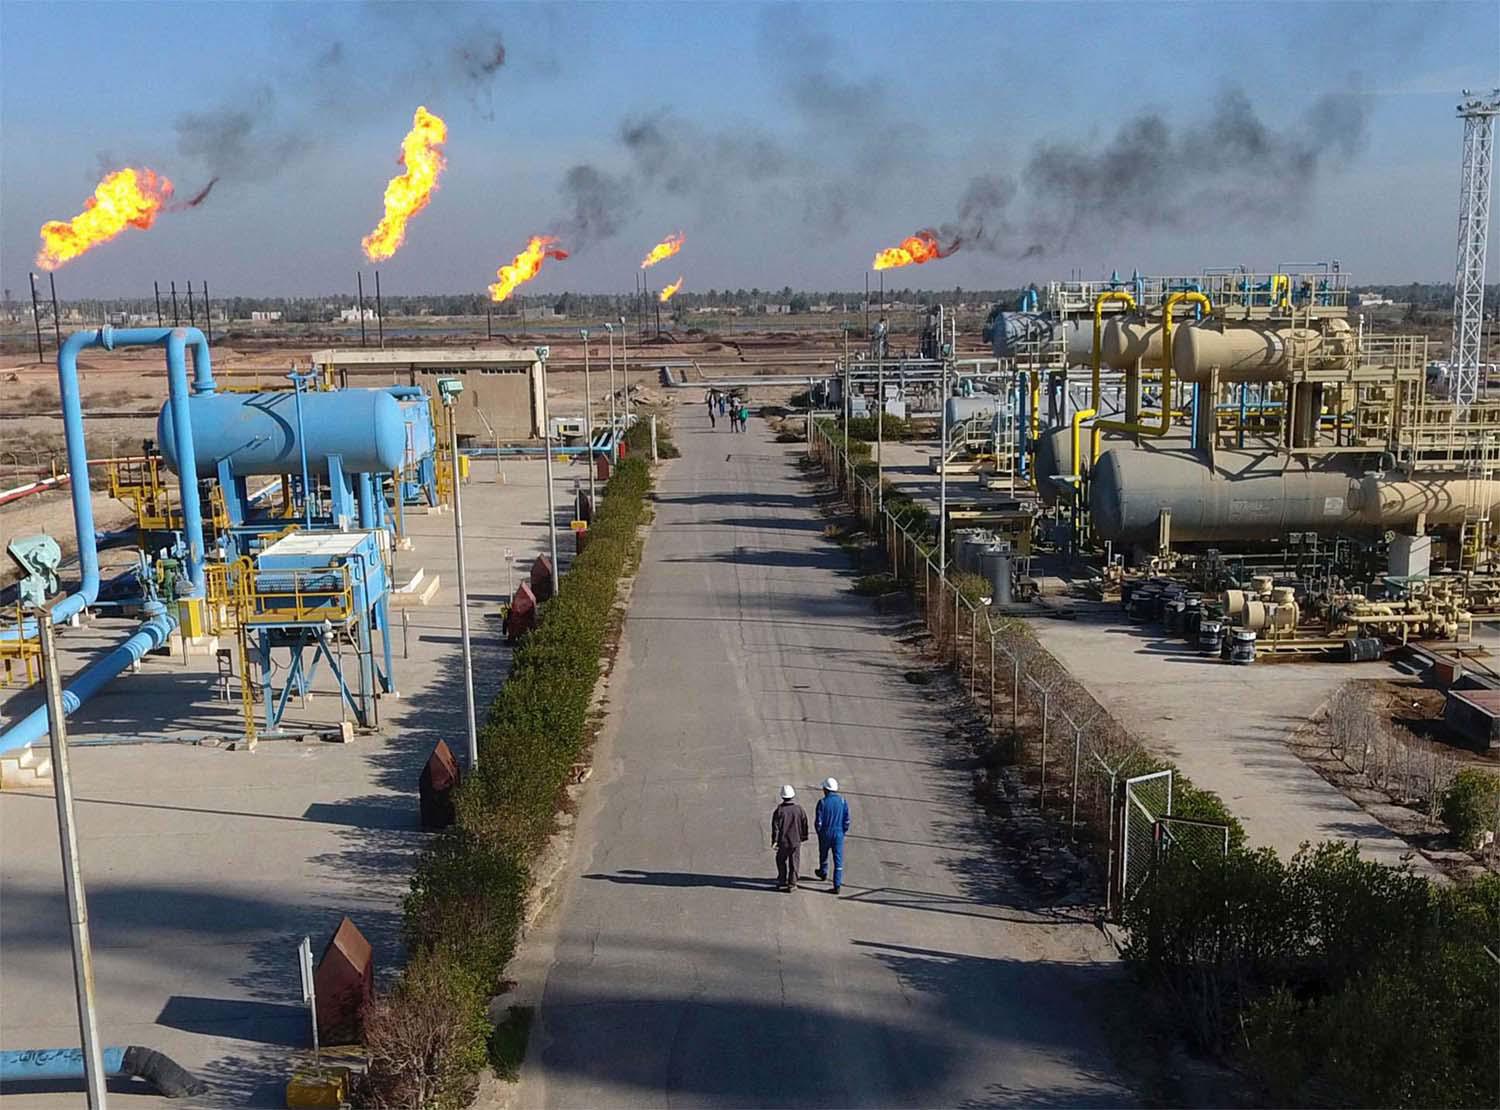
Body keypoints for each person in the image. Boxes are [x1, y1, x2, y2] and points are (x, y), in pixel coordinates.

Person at [769, 784, 809, 892]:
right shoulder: (799, 809)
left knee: (780, 860)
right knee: (794, 862)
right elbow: (804, 823)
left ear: (782, 796)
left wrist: (775, 841)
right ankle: (792, 884)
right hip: (796, 841)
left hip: (783, 842)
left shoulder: (779, 811)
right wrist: (804, 836)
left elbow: (775, 828)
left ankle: (782, 880)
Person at [814, 777, 851, 893]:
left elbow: (818, 822)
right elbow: (847, 820)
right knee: (838, 859)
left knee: (823, 853)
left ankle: (823, 871)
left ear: (826, 789)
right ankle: (837, 884)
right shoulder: (842, 802)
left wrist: (820, 832)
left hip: (825, 832)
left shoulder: (822, 802)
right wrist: (843, 832)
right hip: (838, 833)